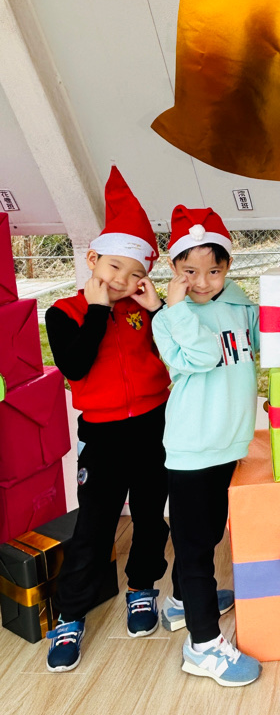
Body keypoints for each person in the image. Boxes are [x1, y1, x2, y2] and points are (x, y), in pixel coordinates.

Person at [44, 167, 170, 672]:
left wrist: (156, 310)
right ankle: (69, 615)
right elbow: (75, 366)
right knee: (94, 527)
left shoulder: (143, 308)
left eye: (134, 273)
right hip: (102, 435)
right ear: (93, 259)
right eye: (114, 266)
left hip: (154, 425)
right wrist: (98, 311)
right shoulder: (64, 312)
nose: (121, 281)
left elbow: (174, 352)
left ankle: (142, 588)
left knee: (150, 516)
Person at [152, 206, 264, 686]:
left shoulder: (239, 305)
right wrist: (176, 308)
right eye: (189, 272)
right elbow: (200, 356)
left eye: (213, 271)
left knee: (209, 531)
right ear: (174, 269)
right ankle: (202, 645)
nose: (201, 282)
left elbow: (266, 341)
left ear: (228, 267)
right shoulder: (168, 319)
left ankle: (181, 602)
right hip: (193, 445)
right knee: (196, 548)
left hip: (228, 442)